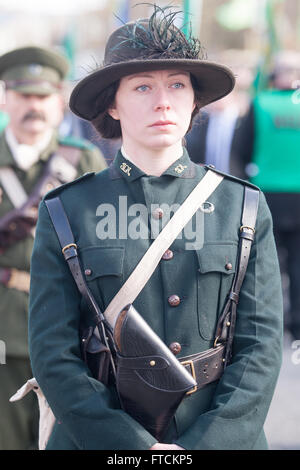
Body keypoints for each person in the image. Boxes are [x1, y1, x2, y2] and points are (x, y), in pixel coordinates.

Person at [29, 6, 283, 450]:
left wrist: (204, 447)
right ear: (113, 102)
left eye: (177, 85)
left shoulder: (241, 204)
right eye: (142, 86)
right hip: (100, 438)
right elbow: (54, 355)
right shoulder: (66, 211)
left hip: (222, 436)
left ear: (193, 100)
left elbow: (260, 347)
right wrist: (136, 449)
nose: (163, 100)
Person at [0, 45, 107, 450]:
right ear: (5, 97)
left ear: (59, 101)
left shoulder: (82, 162)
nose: (34, 106)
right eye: (24, 95)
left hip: (68, 331)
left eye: (43, 96)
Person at [241, 51, 300, 341]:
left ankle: (270, 322)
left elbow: (242, 148)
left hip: (267, 195)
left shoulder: (260, 103)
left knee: (267, 265)